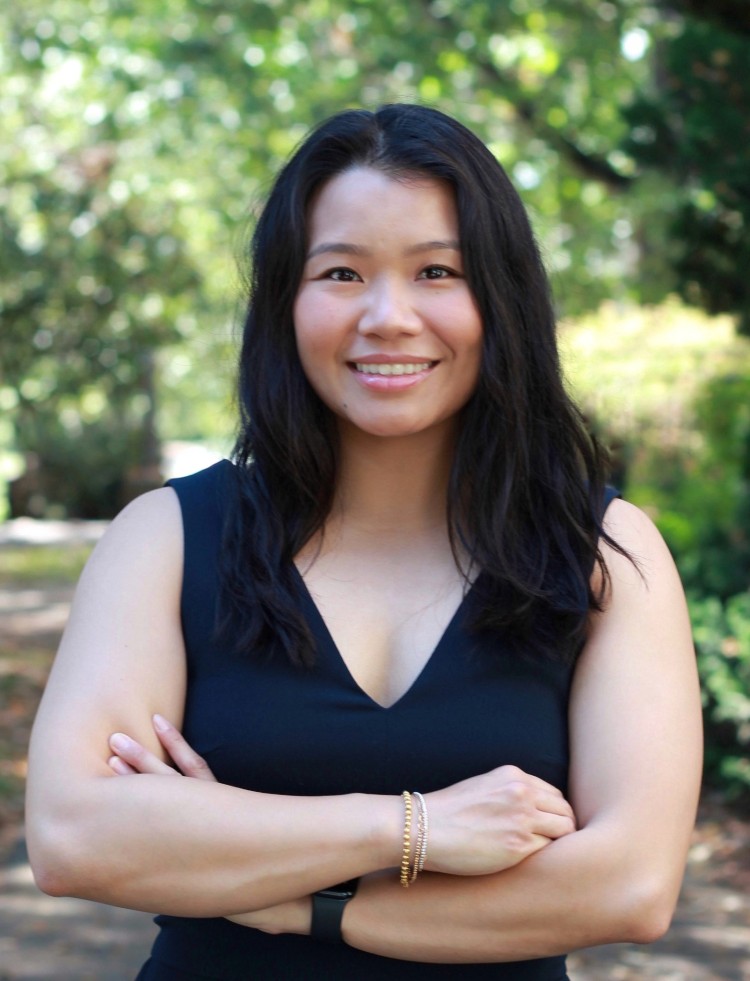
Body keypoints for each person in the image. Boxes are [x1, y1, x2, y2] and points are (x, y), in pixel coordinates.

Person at [26, 104, 702, 980]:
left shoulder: (605, 552)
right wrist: (414, 827)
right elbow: (74, 835)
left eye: (436, 271)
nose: (388, 315)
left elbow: (629, 886)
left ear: (501, 297)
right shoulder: (166, 537)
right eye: (341, 272)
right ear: (286, 300)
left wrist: (286, 897)